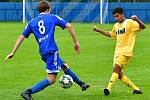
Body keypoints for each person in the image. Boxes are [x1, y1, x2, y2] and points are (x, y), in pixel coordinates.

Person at [5, 0, 89, 100]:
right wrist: (76, 42)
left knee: (64, 66)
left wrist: (13, 52)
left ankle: (81, 83)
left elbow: (21, 37)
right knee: (51, 79)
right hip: (52, 51)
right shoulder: (52, 17)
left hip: (43, 52)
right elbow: (69, 26)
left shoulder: (32, 22)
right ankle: (28, 92)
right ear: (48, 9)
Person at [93, 7, 145, 96]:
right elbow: (110, 34)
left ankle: (108, 89)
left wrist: (137, 20)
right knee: (119, 74)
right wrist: (98, 30)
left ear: (122, 14)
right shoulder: (116, 25)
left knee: (115, 69)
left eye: (117, 16)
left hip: (126, 52)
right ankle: (136, 89)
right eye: (114, 17)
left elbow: (143, 27)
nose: (116, 18)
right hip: (117, 52)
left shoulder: (130, 22)